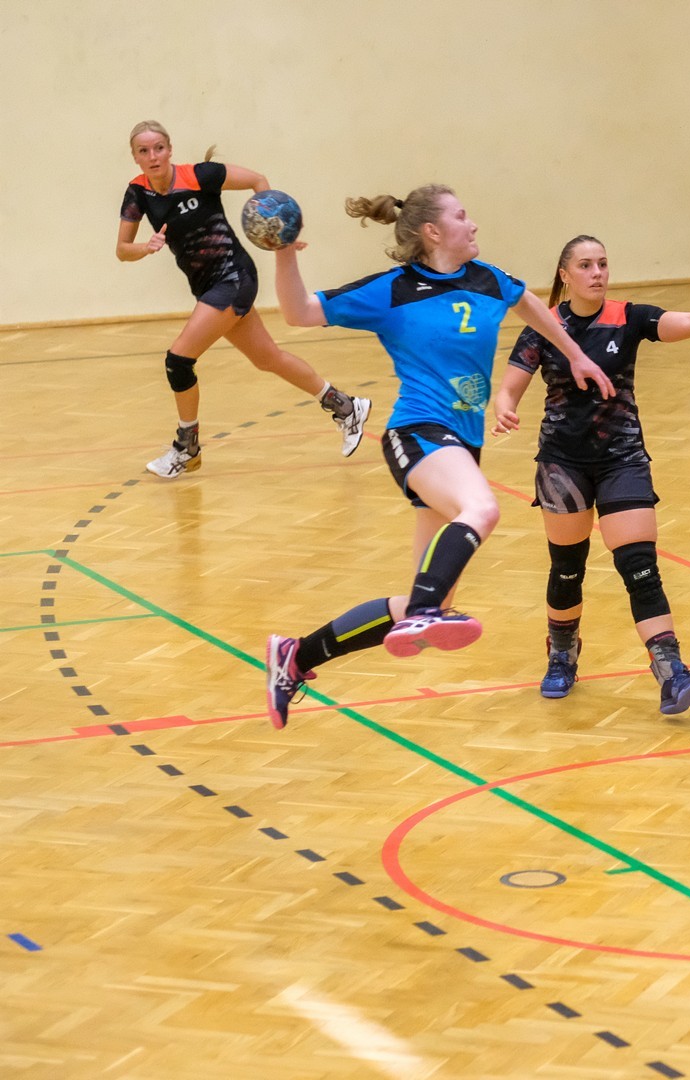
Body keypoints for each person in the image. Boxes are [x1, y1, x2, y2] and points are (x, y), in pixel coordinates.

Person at [262, 186, 612, 729]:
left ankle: (295, 655)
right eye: (461, 216)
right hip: (417, 433)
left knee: (427, 599)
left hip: (462, 445)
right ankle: (425, 612)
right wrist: (285, 254)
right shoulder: (392, 291)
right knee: (482, 510)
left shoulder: (489, 279)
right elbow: (298, 312)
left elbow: (529, 304)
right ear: (432, 232)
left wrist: (576, 355)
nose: (473, 224)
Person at [494, 235, 690, 715]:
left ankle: (672, 673)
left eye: (602, 263)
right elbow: (510, 387)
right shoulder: (543, 326)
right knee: (567, 568)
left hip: (622, 458)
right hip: (562, 463)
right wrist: (504, 407)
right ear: (564, 275)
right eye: (585, 265)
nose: (597, 272)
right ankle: (562, 655)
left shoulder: (630, 317)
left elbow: (689, 323)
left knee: (640, 567)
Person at [116, 121, 368, 478]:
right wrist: (147, 246)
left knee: (178, 361)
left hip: (233, 277)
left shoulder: (201, 175)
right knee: (268, 358)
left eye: (159, 148)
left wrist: (277, 228)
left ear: (169, 149)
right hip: (207, 286)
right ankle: (346, 406)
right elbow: (122, 250)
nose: (153, 156)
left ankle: (187, 448)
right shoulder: (138, 193)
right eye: (144, 151)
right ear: (135, 157)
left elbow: (257, 180)